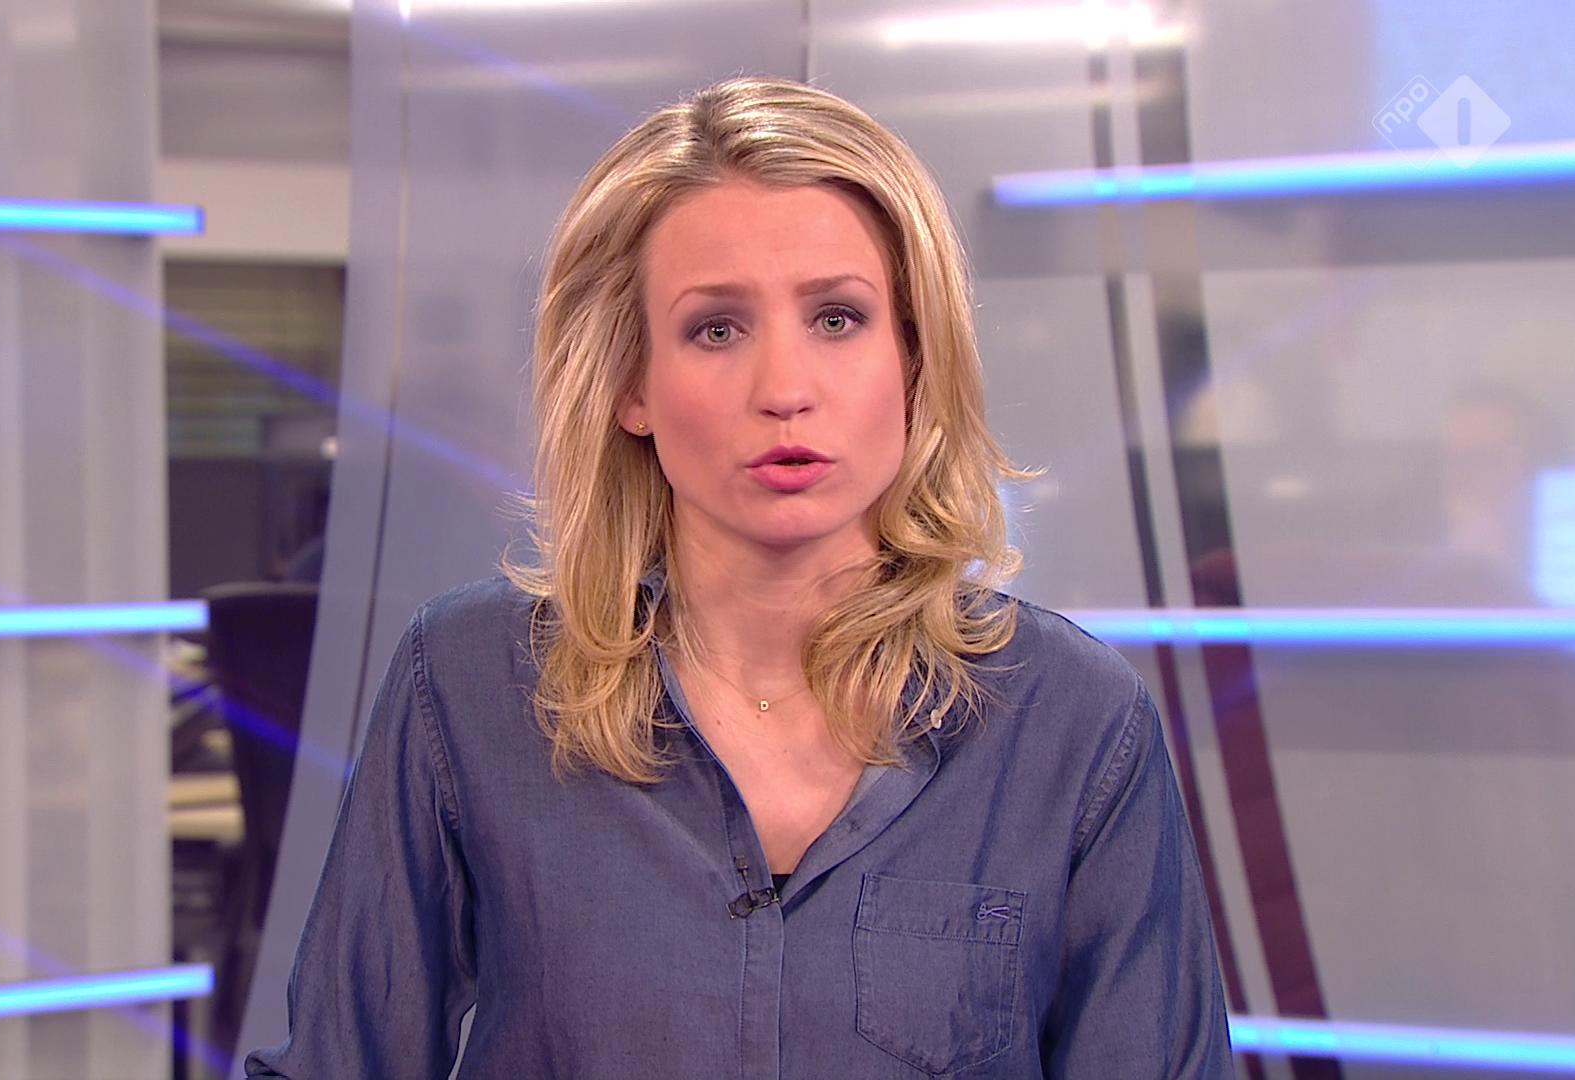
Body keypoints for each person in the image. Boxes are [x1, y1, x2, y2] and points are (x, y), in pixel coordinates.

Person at [245, 75, 1234, 1079]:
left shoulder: (1075, 722)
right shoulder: (466, 686)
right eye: (716, 329)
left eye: (837, 319)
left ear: (914, 359)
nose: (784, 391)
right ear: (630, 382)